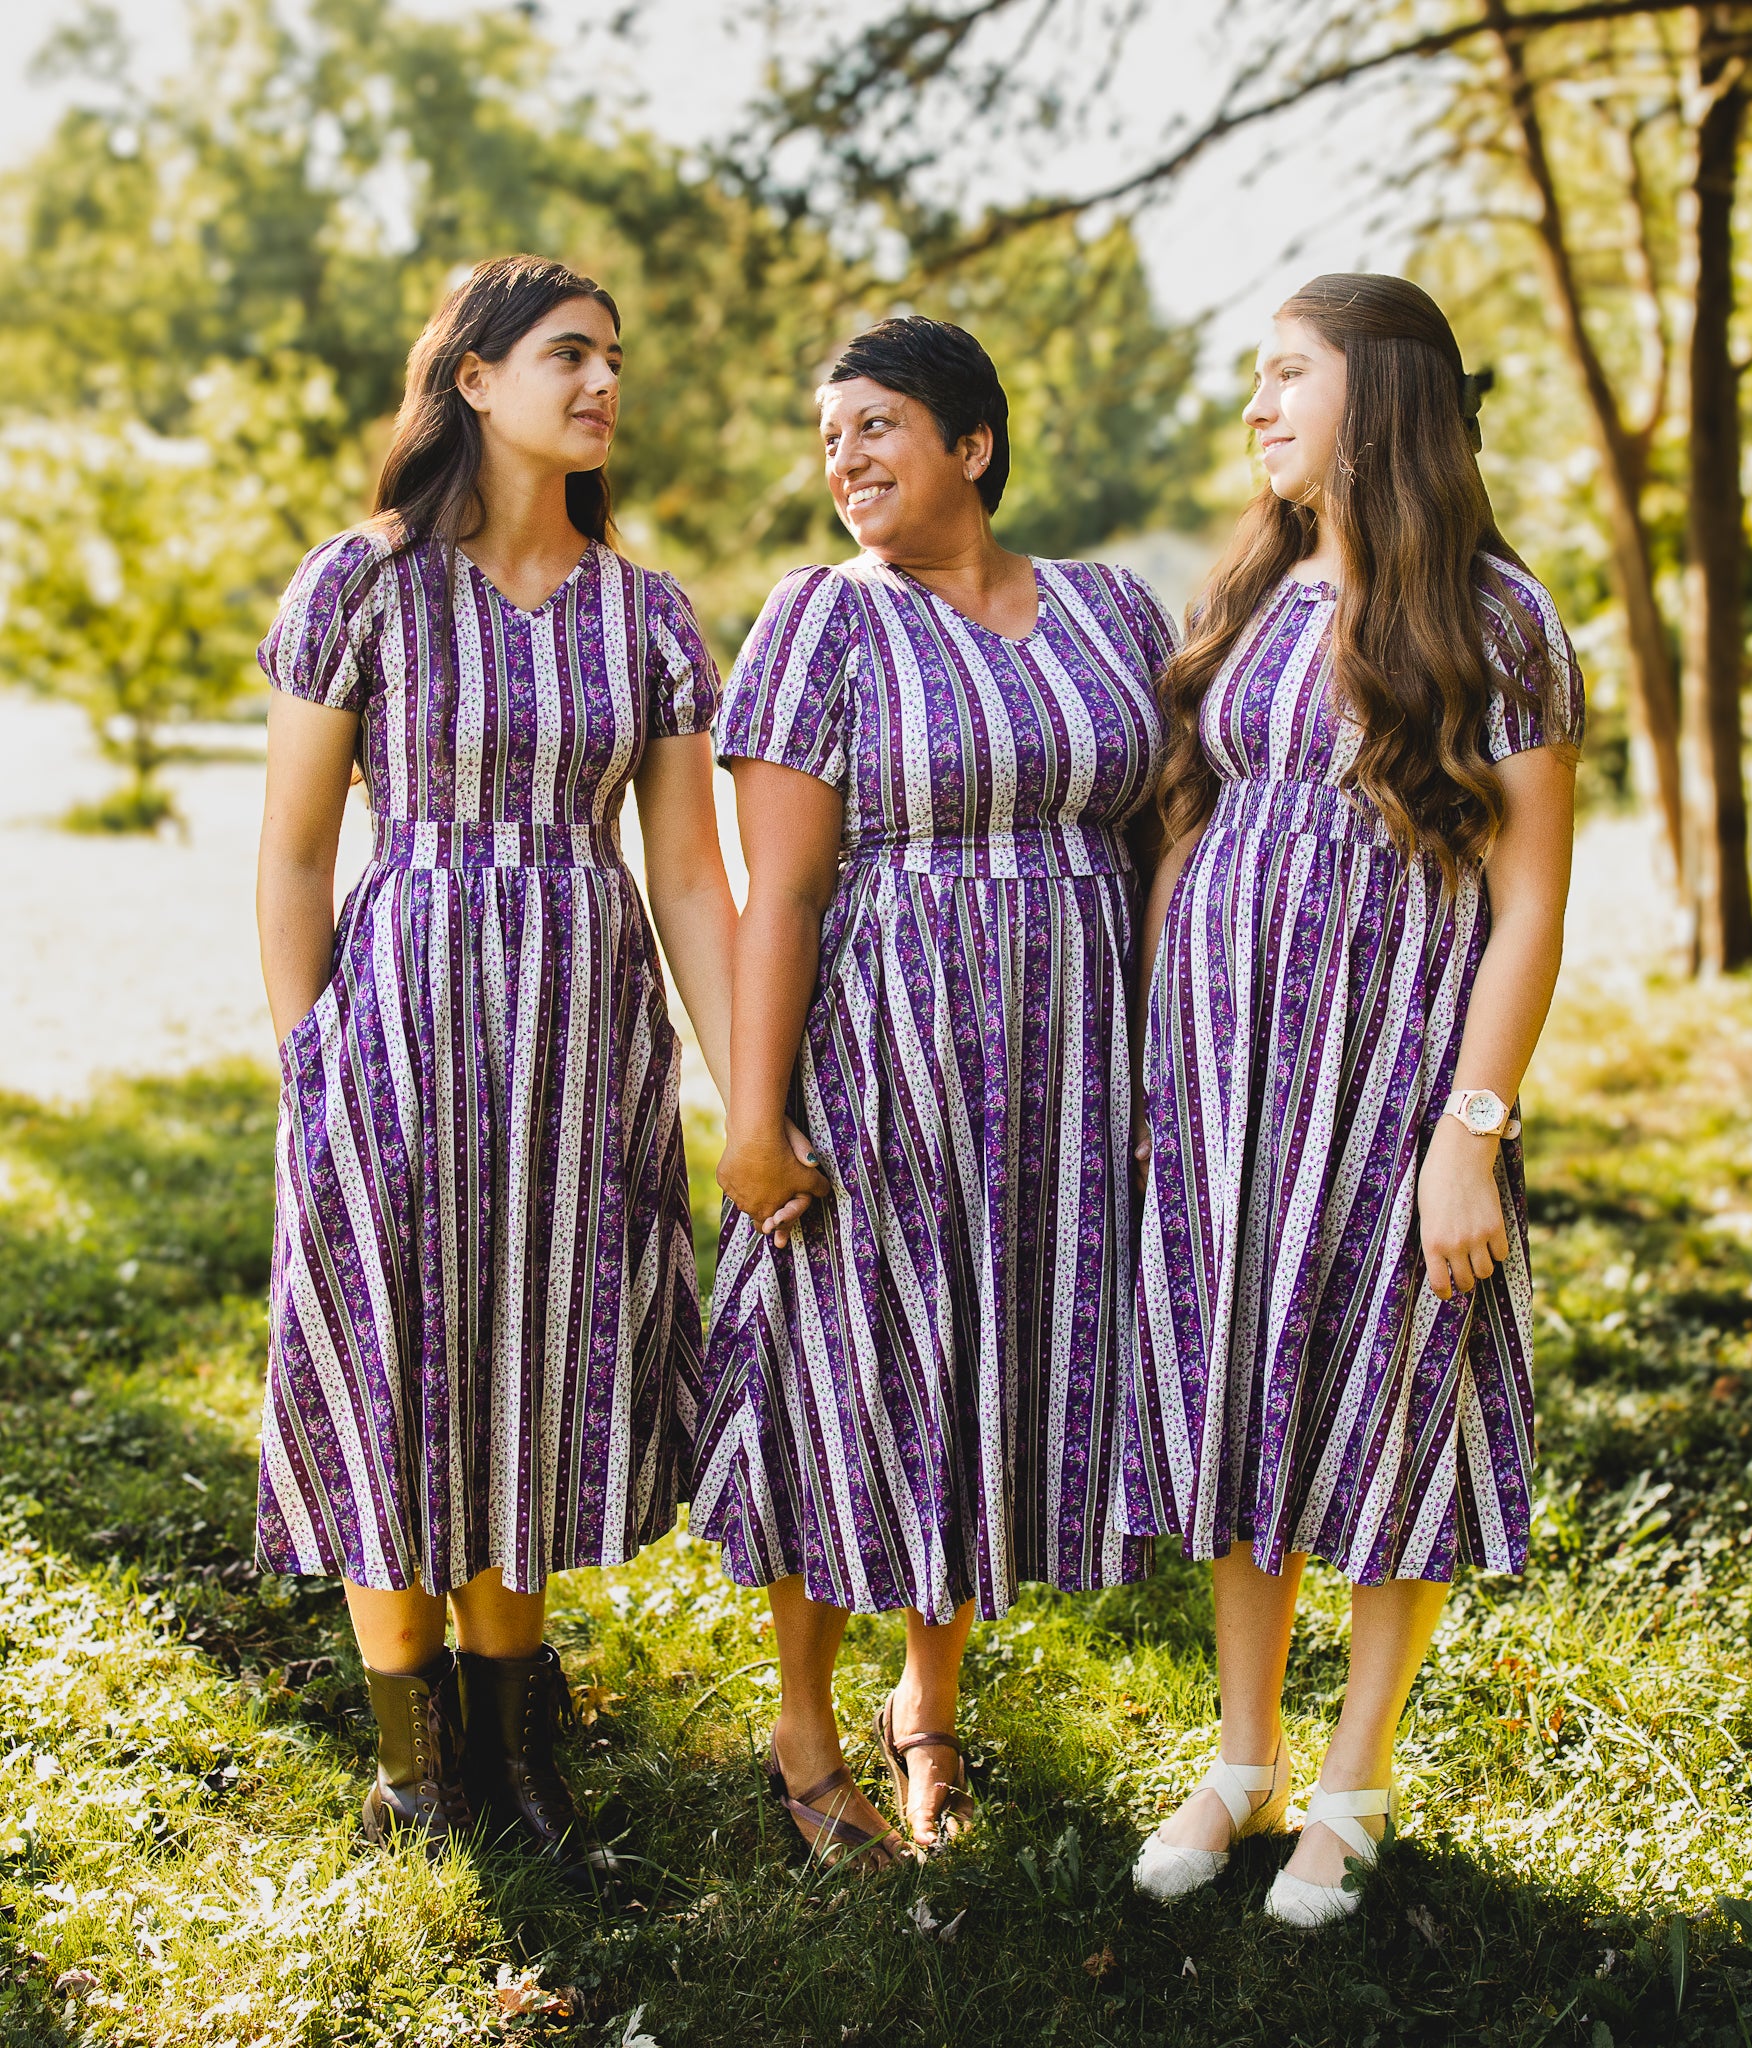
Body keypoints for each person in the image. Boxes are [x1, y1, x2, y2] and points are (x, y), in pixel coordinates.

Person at [254, 255, 735, 1874]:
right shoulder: (363, 585)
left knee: (532, 1369)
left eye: (612, 358)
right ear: (472, 380)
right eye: (566, 355)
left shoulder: (649, 612)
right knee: (395, 1368)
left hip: (583, 1044)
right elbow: (297, 855)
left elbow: (684, 876)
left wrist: (743, 1086)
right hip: (398, 1025)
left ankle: (517, 1750)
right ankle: (413, 1767)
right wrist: (310, 1055)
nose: (601, 384)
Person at [1124, 274, 1582, 1925]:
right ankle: (1241, 1761)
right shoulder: (1250, 593)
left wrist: (1473, 1135)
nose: (1256, 408)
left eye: (1284, 377)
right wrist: (1160, 1072)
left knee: (1393, 1413)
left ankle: (1350, 1786)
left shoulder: (1494, 615)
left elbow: (1527, 900)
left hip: (1397, 1083)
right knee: (1246, 1399)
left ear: (1375, 401)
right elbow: (1192, 831)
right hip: (1231, 1092)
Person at [693, 316, 1174, 1866]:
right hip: (884, 1052)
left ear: (971, 444)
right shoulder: (817, 621)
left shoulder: (1111, 609)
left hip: (1068, 1067)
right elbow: (779, 893)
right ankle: (802, 1724)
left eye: (877, 425)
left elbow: (1161, 840)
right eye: (828, 436)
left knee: (986, 1376)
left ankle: (930, 1701)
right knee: (856, 1376)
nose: (845, 458)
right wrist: (753, 1118)